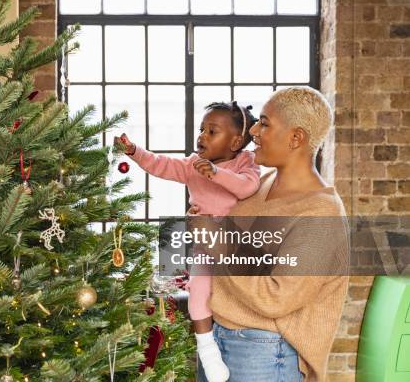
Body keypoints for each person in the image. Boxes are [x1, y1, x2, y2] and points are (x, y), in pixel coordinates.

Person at [197, 87, 350, 382]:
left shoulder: (320, 213)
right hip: (218, 339)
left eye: (264, 123)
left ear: (296, 138)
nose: (253, 129)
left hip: (264, 353)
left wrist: (218, 244)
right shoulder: (259, 183)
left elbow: (276, 298)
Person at [115, 101, 260, 382]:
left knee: (234, 293)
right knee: (197, 294)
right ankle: (207, 349)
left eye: (211, 131)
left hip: (235, 246)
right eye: (201, 129)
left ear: (235, 141)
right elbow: (162, 165)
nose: (202, 136)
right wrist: (135, 152)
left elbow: (248, 186)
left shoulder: (245, 162)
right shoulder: (193, 164)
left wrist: (216, 173)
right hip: (204, 246)